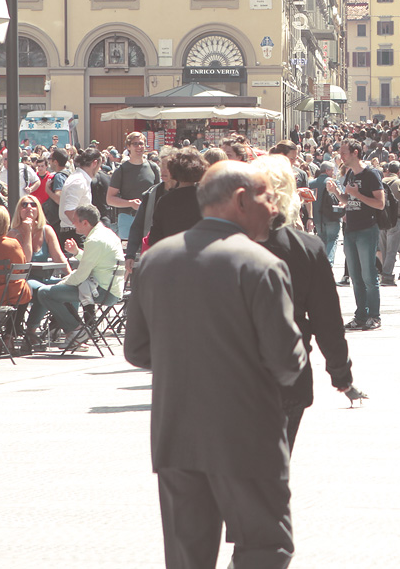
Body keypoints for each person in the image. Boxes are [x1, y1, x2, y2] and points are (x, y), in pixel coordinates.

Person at [125, 160, 305, 569]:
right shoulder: (260, 264)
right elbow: (286, 360)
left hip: (176, 433)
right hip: (246, 431)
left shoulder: (155, 261)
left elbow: (136, 350)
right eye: (267, 197)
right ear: (241, 200)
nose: (274, 208)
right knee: (265, 545)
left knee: (187, 556)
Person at [253, 155, 361, 449]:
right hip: (287, 370)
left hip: (227, 373)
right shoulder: (307, 248)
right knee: (275, 463)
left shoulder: (222, 244)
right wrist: (340, 373)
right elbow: (327, 320)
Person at [26, 204, 124, 351]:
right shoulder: (108, 234)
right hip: (110, 289)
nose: (72, 223)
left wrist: (60, 284)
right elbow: (96, 261)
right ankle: (74, 334)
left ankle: (77, 332)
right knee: (60, 290)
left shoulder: (95, 240)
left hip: (102, 291)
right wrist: (77, 252)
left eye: (75, 220)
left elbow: (80, 276)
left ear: (85, 223)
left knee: (45, 292)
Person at [339, 138, 385, 329]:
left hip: (367, 228)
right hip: (350, 229)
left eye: (344, 152)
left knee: (368, 276)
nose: (341, 156)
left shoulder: (371, 174)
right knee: (355, 277)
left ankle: (374, 316)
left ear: (355, 153)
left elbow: (379, 204)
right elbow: (347, 200)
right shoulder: (349, 173)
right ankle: (360, 316)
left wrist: (356, 194)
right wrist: (337, 193)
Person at [108, 131, 161, 246]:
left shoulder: (153, 168)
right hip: (127, 218)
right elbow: (110, 198)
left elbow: (159, 194)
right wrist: (130, 203)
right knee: (128, 256)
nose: (139, 147)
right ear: (128, 147)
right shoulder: (121, 170)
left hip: (149, 219)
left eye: (141, 144)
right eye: (135, 144)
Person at [148, 147, 206, 247]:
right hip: (201, 254)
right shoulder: (207, 199)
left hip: (171, 254)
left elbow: (155, 237)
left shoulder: (164, 201)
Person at [8, 195, 70, 279]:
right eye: (24, 205)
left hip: (45, 277)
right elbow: (26, 259)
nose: (29, 207)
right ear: (19, 211)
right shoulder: (13, 234)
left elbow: (58, 257)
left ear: (38, 210)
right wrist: (28, 232)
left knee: (65, 287)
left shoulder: (47, 230)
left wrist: (72, 276)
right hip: (24, 279)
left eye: (33, 205)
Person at [377, 162, 400, 286]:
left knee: (384, 248)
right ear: (399, 171)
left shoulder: (380, 181)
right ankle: (387, 275)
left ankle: (385, 273)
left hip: (381, 218)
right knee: (392, 249)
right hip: (396, 219)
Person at [59, 148, 99, 243]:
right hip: (74, 234)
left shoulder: (80, 178)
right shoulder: (78, 181)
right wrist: (84, 229)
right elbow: (69, 210)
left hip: (75, 232)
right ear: (94, 163)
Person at [308, 160, 343, 266]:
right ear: (327, 170)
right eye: (332, 170)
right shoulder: (333, 182)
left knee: (322, 240)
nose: (333, 172)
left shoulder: (312, 183)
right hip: (332, 216)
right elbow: (340, 197)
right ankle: (329, 263)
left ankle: (321, 263)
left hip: (318, 217)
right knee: (332, 239)